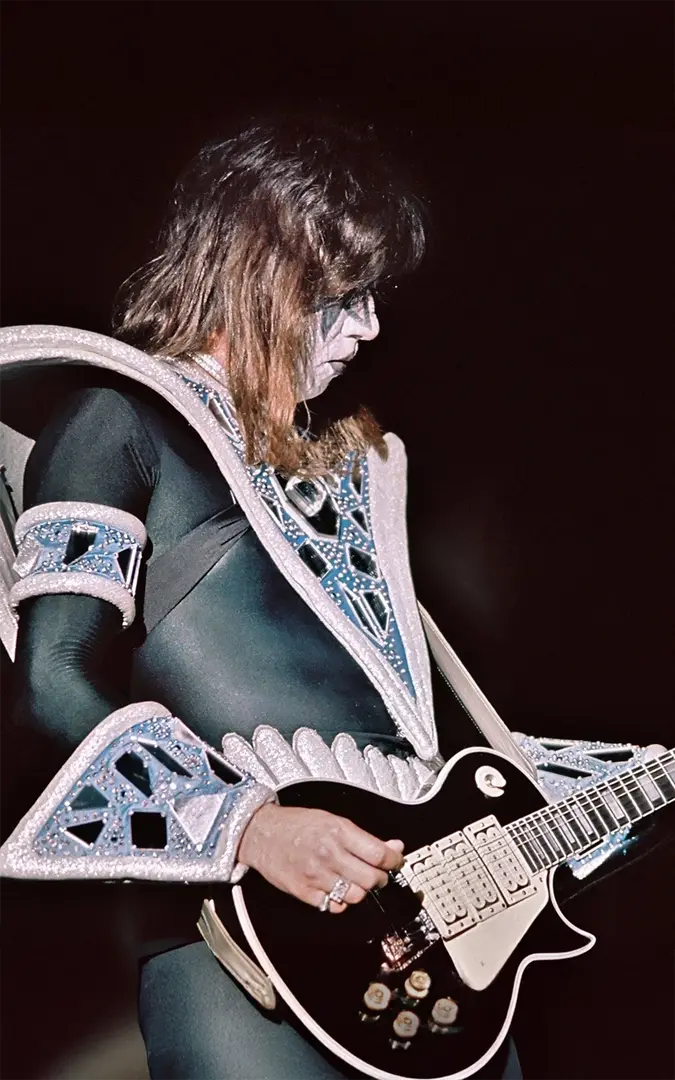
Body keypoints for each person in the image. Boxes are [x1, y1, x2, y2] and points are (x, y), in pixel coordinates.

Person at [3, 118, 644, 1080]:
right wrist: (249, 826)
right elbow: (52, 678)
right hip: (234, 959)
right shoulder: (114, 421)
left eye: (375, 296)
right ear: (248, 273)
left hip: (433, 954)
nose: (369, 328)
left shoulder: (355, 469)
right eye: (340, 298)